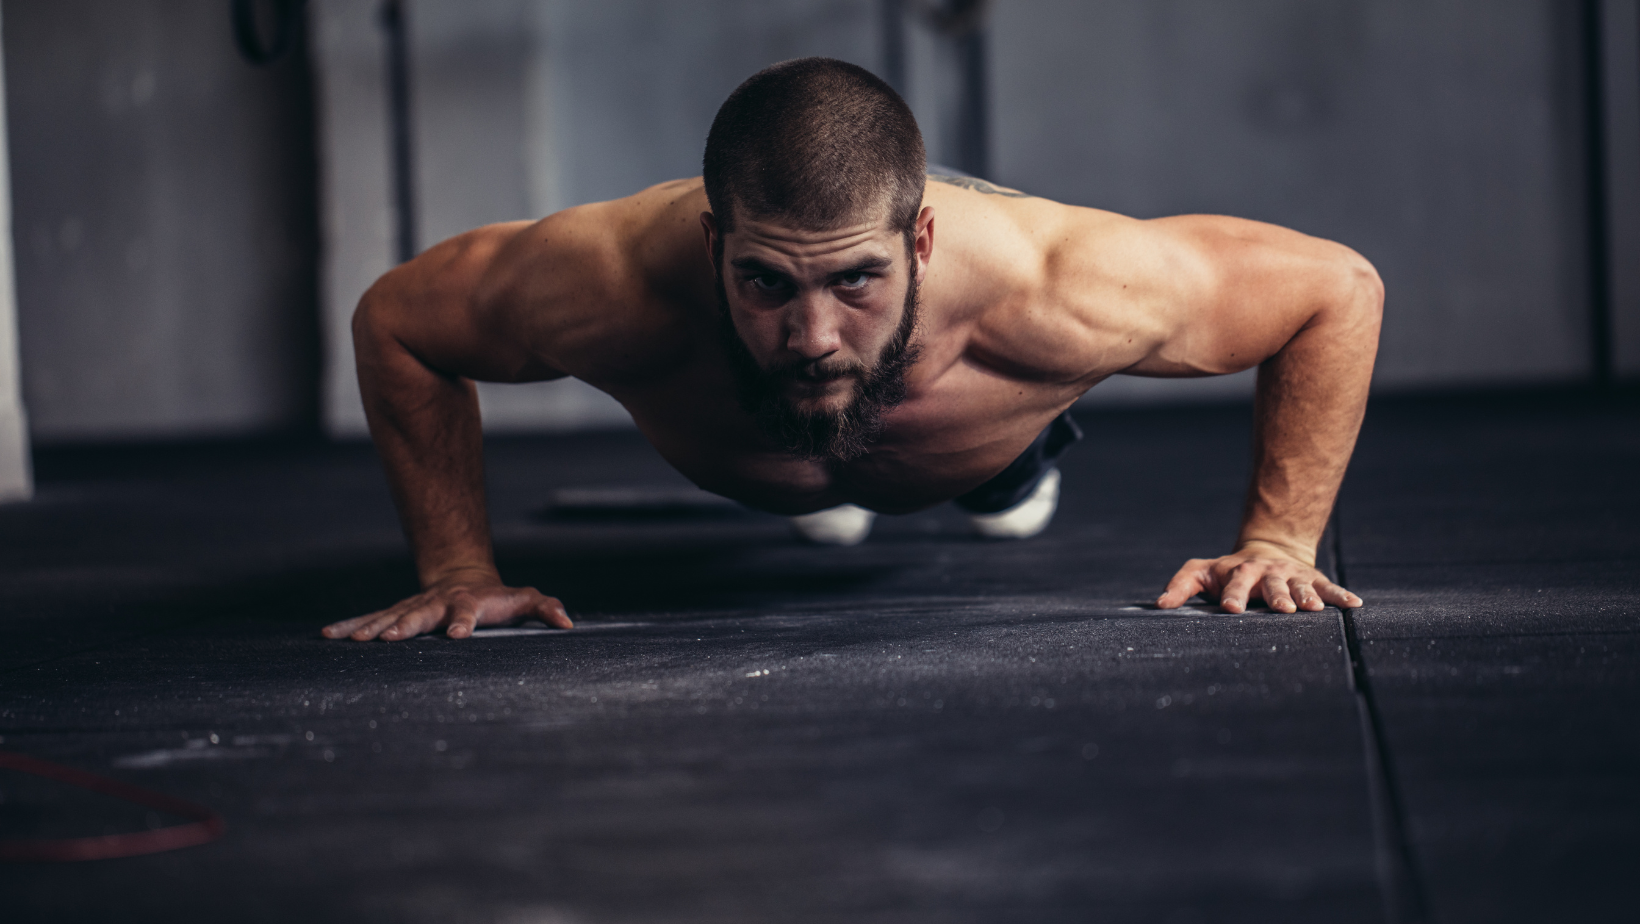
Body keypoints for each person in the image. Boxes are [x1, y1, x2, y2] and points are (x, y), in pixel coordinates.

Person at [321, 57, 1378, 644]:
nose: (812, 332)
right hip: (759, 439)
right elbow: (396, 322)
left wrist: (1279, 543)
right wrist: (457, 567)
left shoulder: (1060, 284)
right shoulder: (602, 281)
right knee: (812, 436)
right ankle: (821, 465)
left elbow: (1335, 288)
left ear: (919, 243)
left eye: (854, 281)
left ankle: (1008, 467)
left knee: (999, 489)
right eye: (765, 284)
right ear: (713, 244)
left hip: (982, 417)